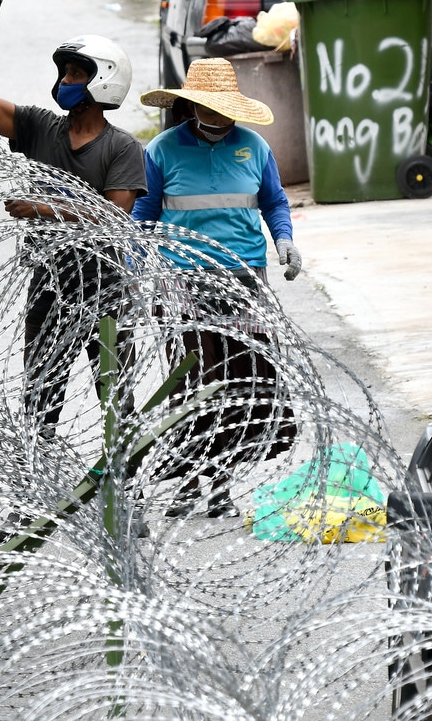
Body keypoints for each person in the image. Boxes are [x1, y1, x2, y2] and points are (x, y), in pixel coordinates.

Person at [0, 11, 146, 539]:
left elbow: (113, 215)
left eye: (76, 73)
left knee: (114, 393)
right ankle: (31, 497)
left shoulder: (122, 148)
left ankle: (127, 499)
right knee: (41, 395)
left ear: (102, 80)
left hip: (104, 287)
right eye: (63, 71)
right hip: (50, 284)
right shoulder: (39, 127)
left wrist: (42, 209)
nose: (65, 81)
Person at [133, 57, 302, 518]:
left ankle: (222, 482)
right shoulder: (163, 150)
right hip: (182, 279)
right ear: (192, 107)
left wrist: (283, 240)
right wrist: (132, 265)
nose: (219, 117)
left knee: (240, 379)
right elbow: (143, 214)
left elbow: (274, 201)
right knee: (192, 380)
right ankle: (188, 479)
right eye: (210, 108)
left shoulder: (255, 147)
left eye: (226, 109)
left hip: (244, 276)